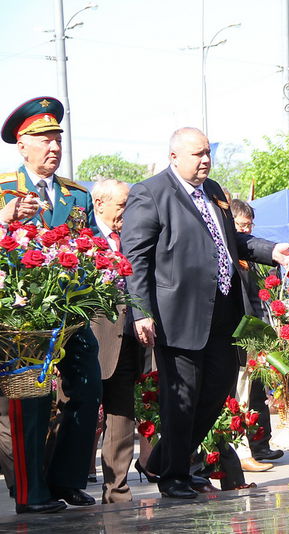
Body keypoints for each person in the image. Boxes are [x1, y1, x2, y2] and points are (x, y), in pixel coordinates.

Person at [121, 127, 289, 499]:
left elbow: (233, 241)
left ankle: (166, 461)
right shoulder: (151, 193)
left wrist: (272, 251)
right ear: (174, 157)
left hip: (223, 311)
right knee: (181, 397)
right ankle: (173, 476)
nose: (205, 160)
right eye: (196, 154)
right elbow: (134, 258)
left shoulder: (214, 191)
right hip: (177, 315)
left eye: (207, 153)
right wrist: (140, 311)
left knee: (218, 390)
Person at [0, 96, 102, 513]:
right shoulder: (5, 190)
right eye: (44, 139)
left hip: (71, 315)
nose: (54, 146)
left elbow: (96, 248)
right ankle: (31, 492)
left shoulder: (76, 196)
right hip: (22, 318)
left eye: (57, 138)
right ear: (22, 144)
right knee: (31, 400)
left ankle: (68, 480)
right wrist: (5, 217)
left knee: (87, 389)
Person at [88, 179, 149, 504]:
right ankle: (61, 483)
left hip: (127, 339)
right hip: (90, 342)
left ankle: (117, 489)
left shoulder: (131, 238)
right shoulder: (83, 238)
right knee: (75, 414)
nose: (128, 212)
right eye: (122, 205)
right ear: (99, 203)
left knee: (122, 414)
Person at [229, 199, 283, 471]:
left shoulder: (252, 259)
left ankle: (256, 446)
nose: (246, 231)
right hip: (238, 336)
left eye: (250, 225)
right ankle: (239, 454)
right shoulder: (231, 257)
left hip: (254, 335)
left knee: (253, 394)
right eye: (241, 226)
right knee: (239, 395)